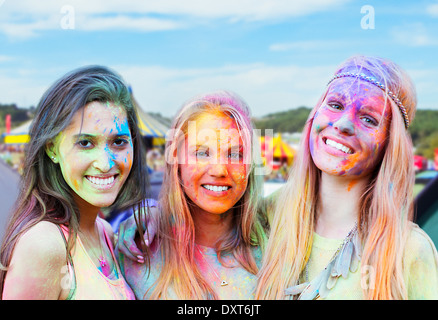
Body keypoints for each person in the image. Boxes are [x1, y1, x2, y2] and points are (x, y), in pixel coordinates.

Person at [255, 55, 438, 300]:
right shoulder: (264, 214)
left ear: (389, 144)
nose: (343, 124)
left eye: (368, 119)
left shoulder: (408, 251)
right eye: (336, 105)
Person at [0, 65, 149, 299]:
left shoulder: (106, 232)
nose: (105, 163)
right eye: (85, 143)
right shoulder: (44, 246)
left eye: (118, 142)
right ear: (52, 149)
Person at [117, 90, 269, 299]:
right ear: (176, 159)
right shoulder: (137, 250)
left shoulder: (277, 245)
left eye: (235, 154)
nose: (219, 170)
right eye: (201, 153)